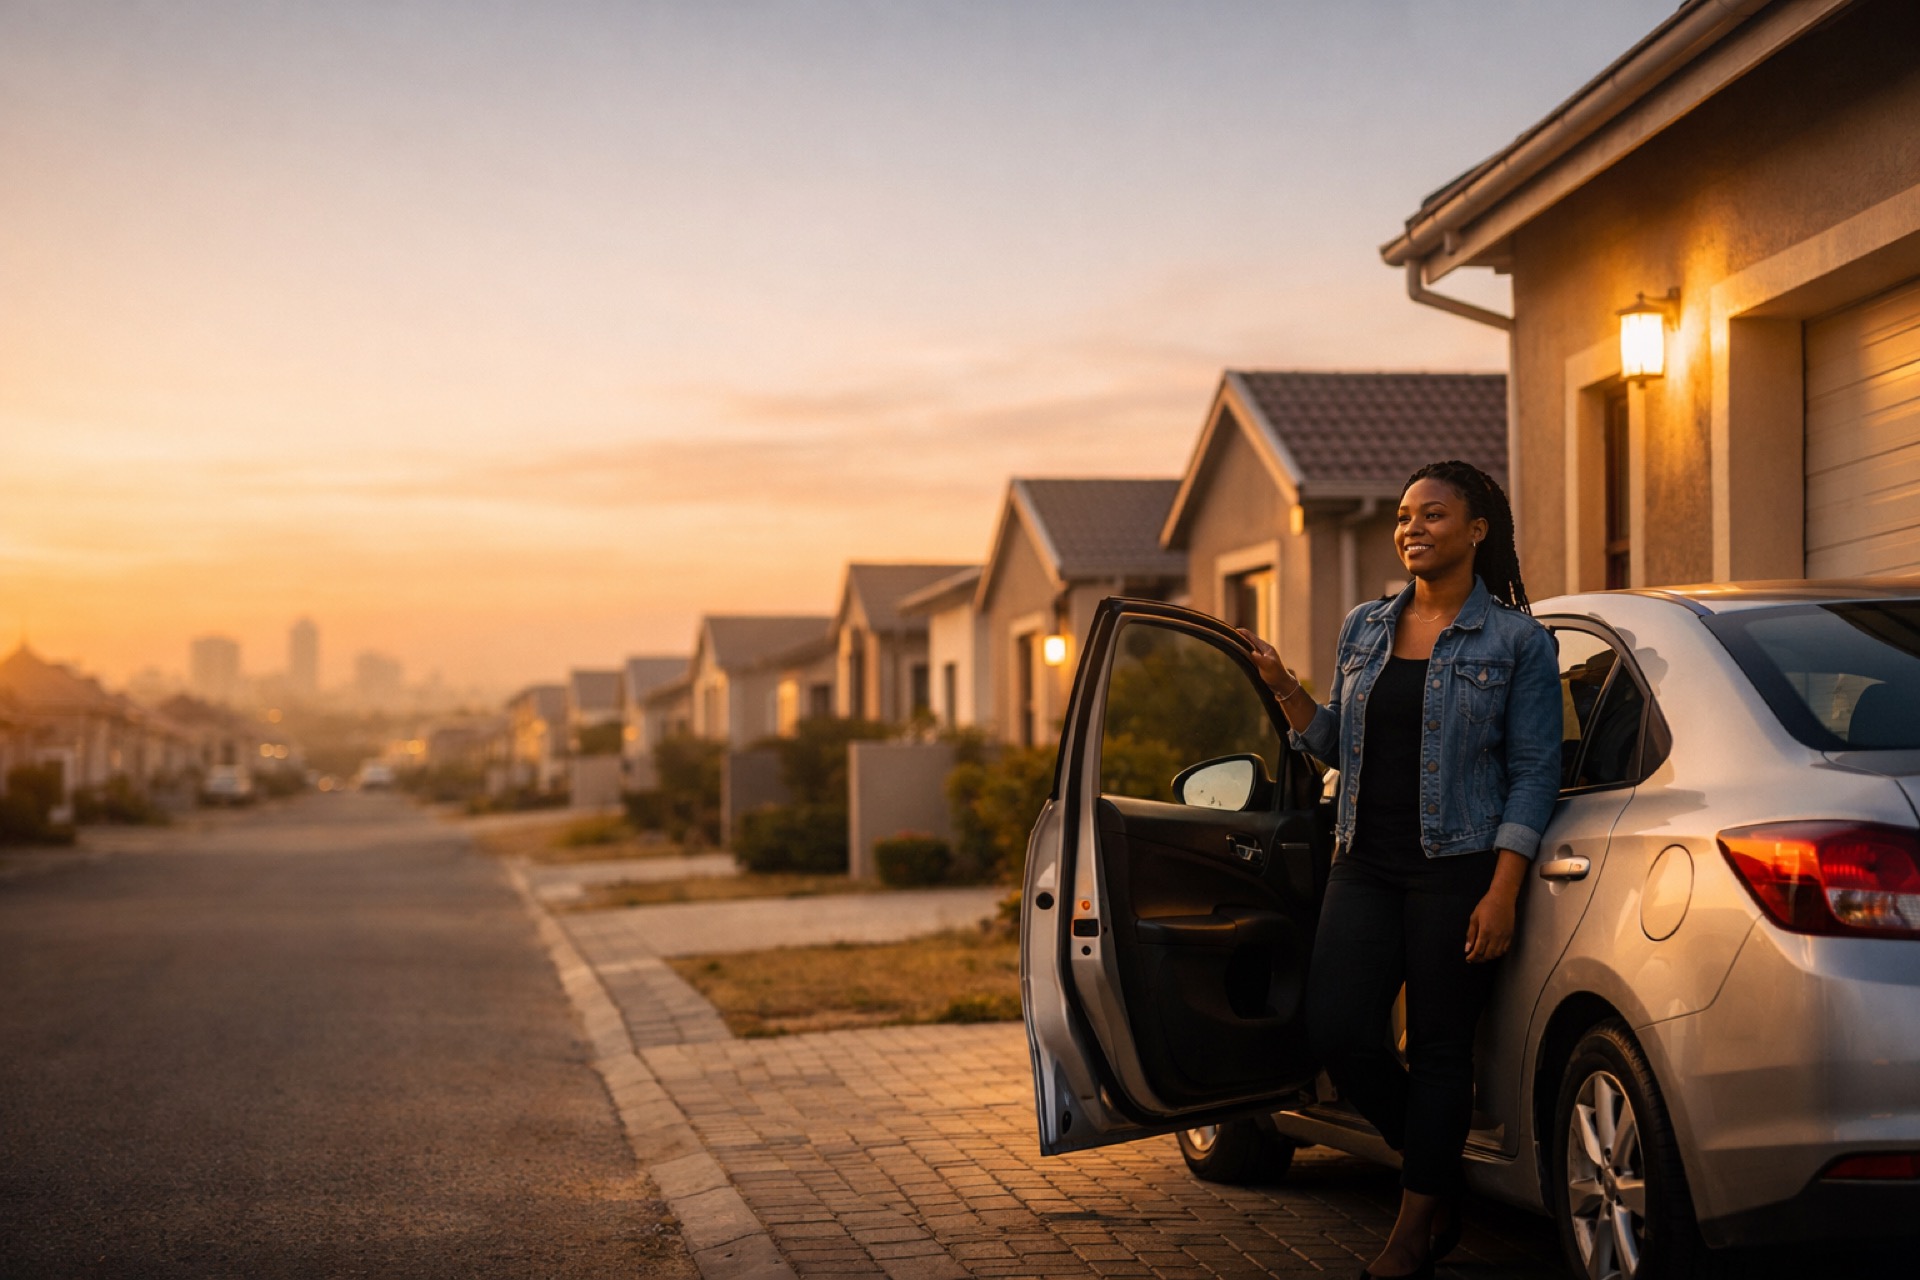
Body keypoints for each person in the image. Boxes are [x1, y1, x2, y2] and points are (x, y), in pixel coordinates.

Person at [1238, 459, 1560, 1280]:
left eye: (1433, 516)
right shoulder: (1365, 627)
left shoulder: (1519, 642)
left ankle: (1413, 1231)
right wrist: (1282, 687)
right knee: (1337, 1029)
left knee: (1445, 1048)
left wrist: (1503, 889)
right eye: (1404, 517)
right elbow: (1333, 740)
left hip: (1458, 868)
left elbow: (1534, 771)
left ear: (1477, 530)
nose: (1411, 529)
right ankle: (1434, 1168)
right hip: (1366, 863)